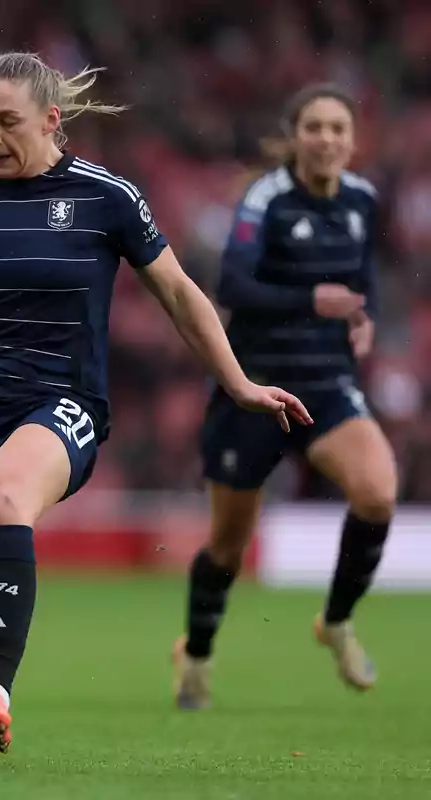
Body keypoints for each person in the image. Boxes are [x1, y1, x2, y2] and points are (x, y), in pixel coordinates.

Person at [0, 51, 312, 761]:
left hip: (61, 402)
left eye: (7, 121)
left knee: (3, 495)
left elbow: (180, 294)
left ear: (51, 120)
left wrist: (239, 383)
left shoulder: (106, 198)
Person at [174, 83, 396, 709]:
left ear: (353, 141)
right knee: (227, 545)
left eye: (338, 129)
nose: (327, 139)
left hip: (326, 385)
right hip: (256, 391)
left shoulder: (363, 199)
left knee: (378, 492)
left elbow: (364, 276)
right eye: (315, 127)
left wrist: (365, 315)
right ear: (295, 135)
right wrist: (309, 301)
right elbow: (231, 285)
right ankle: (195, 657)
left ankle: (336, 621)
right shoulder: (265, 198)